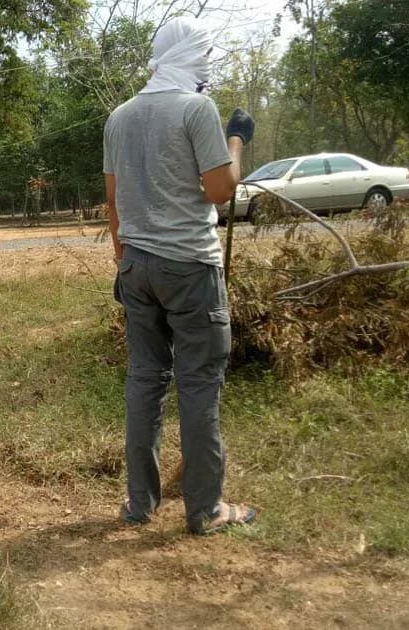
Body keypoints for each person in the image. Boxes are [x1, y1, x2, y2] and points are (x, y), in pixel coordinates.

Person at [104, 16, 258, 535]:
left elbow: (113, 199)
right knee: (198, 384)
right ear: (194, 57)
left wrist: (125, 260)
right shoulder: (197, 109)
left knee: (145, 380)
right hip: (190, 266)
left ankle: (139, 503)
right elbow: (220, 190)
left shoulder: (120, 116)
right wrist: (236, 141)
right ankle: (206, 509)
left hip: (137, 265)